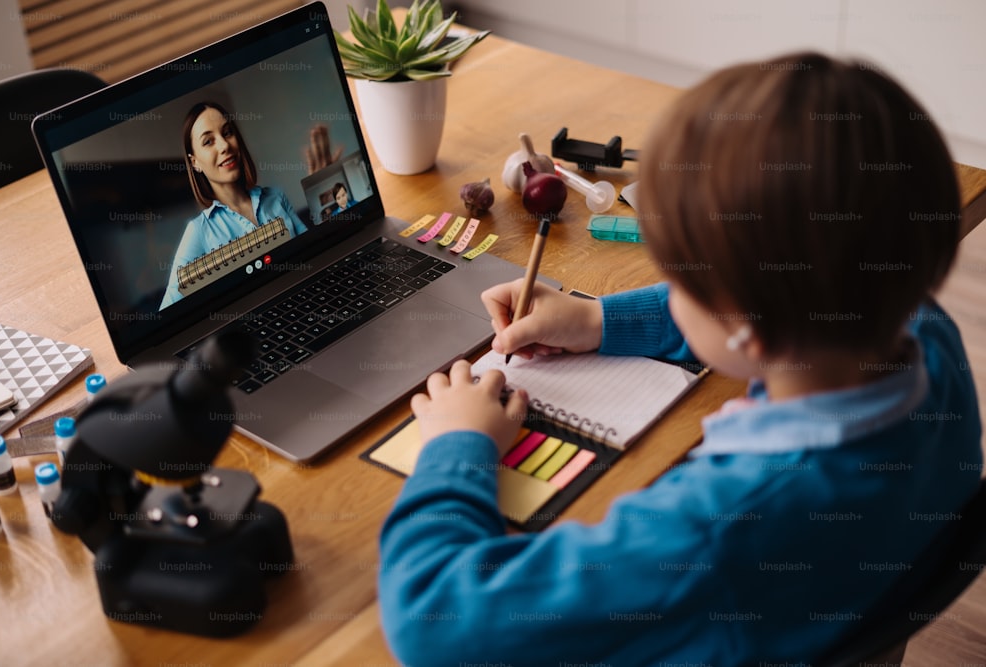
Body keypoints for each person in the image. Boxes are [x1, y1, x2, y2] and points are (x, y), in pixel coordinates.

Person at [376, 53, 983, 665]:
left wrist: (455, 447)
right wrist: (598, 318)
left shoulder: (710, 534)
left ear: (745, 327)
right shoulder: (927, 334)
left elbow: (433, 622)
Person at [160, 102, 340, 309]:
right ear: (195, 163)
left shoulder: (275, 197)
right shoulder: (198, 232)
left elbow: (315, 256)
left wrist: (320, 189)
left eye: (227, 133)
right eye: (208, 141)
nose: (224, 145)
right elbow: (166, 314)